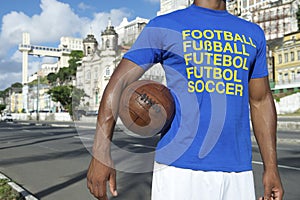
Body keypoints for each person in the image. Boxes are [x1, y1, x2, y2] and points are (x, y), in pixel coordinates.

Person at [87, 0, 284, 199]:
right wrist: (100, 152)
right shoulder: (164, 25)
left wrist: (271, 167)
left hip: (238, 171)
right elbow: (118, 83)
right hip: (178, 171)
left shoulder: (252, 33)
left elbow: (261, 100)